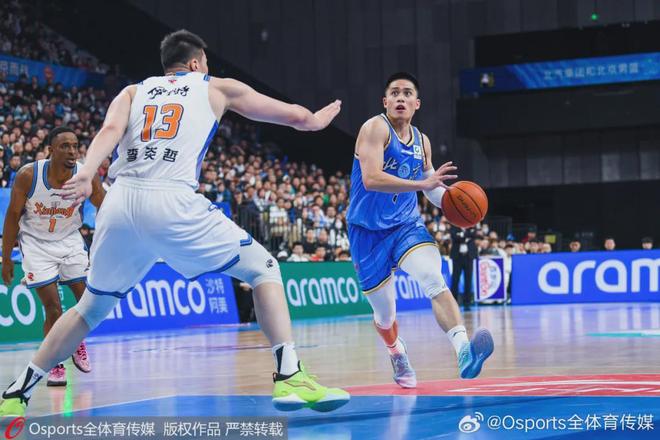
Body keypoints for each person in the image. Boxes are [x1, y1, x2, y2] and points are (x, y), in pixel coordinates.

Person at [0, 29, 348, 417]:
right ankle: (290, 375)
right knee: (264, 268)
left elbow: (109, 131)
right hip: (170, 201)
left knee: (90, 309)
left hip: (119, 202)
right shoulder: (217, 87)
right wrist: (316, 121)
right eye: (205, 63)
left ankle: (17, 391)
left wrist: (87, 172)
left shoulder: (133, 91)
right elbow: (295, 116)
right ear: (196, 63)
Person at [346, 72, 493, 389]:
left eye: (407, 93)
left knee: (433, 278)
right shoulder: (374, 129)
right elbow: (371, 179)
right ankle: (395, 351)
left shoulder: (422, 141)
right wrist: (422, 184)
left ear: (417, 103)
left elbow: (431, 186)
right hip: (367, 232)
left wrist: (454, 203)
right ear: (385, 101)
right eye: (394, 93)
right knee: (385, 315)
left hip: (405, 225)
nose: (400, 97)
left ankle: (464, 351)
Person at [1, 127, 105, 387]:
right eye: (64, 146)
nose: (72, 151)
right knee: (53, 308)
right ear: (50, 150)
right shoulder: (28, 175)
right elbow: (12, 216)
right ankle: (55, 364)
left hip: (69, 239)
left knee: (86, 301)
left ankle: (75, 341)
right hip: (36, 244)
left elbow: (105, 206)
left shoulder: (85, 175)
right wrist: (6, 258)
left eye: (75, 145)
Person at [450, 225, 478, 310]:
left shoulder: (471, 226)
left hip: (468, 257)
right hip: (457, 257)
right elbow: (454, 237)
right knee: (455, 279)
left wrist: (462, 236)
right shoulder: (454, 227)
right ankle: (454, 301)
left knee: (468, 279)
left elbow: (474, 235)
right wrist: (466, 237)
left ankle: (467, 301)